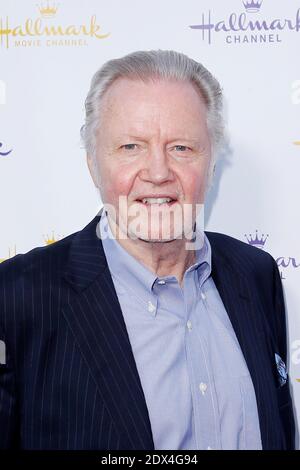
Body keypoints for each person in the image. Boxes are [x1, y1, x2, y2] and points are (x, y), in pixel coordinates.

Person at [0, 50, 295, 450]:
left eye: (181, 148)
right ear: (92, 164)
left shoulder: (255, 274)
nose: (157, 173)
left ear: (211, 163)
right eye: (130, 147)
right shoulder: (16, 296)